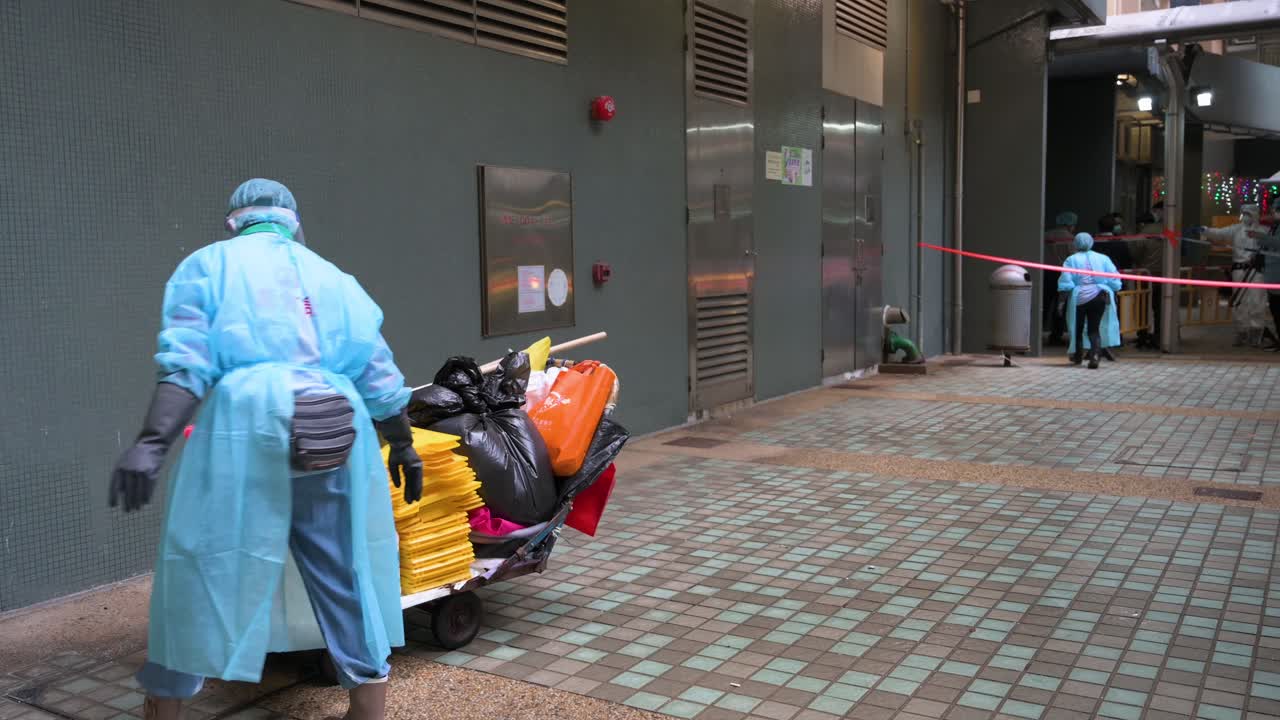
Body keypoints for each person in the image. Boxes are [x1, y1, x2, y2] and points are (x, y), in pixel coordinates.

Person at [109, 179, 422, 720]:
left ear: (235, 220)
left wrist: (151, 443)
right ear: (292, 222)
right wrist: (403, 444)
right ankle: (368, 705)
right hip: (333, 430)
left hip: (245, 430)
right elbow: (379, 374)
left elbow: (186, 365)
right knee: (342, 571)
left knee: (204, 565)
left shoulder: (208, 265)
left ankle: (166, 705)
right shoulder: (336, 279)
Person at [1203, 204, 1272, 347]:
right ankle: (1241, 331)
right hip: (1239, 271)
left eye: (1249, 214)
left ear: (1255, 215)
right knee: (1239, 301)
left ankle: (1256, 333)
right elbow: (1219, 233)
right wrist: (1205, 230)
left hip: (1257, 272)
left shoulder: (1265, 231)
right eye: (1244, 213)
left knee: (1257, 301)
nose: (1246, 217)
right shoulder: (1236, 230)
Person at [1059, 232, 1122, 369]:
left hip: (1079, 297)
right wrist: (1114, 289)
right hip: (1099, 295)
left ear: (1075, 243)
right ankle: (1095, 357)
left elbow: (1065, 281)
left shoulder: (1071, 260)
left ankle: (1078, 357)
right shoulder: (1103, 258)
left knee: (1078, 328)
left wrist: (1062, 300)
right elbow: (1114, 279)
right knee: (1094, 329)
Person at [1044, 211, 1078, 346]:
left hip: (1046, 273)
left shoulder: (1046, 235)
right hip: (1064, 275)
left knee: (1045, 304)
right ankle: (1056, 335)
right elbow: (1074, 258)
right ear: (1070, 224)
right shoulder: (1071, 239)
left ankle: (1035, 332)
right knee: (1061, 305)